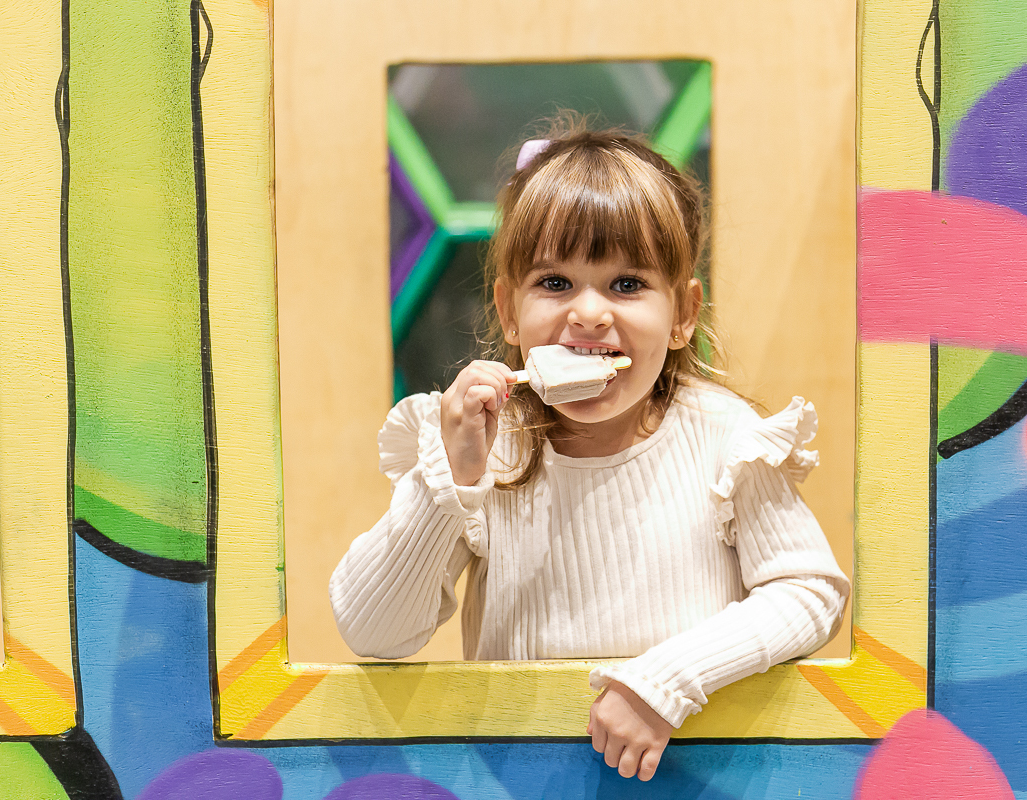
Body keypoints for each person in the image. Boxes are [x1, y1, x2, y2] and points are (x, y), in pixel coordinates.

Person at [330, 119, 850, 781]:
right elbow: (374, 633)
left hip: (693, 776)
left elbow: (810, 595)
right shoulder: (487, 449)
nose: (590, 313)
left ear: (685, 314)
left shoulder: (727, 439)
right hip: (517, 777)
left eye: (627, 285)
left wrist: (666, 681)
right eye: (554, 283)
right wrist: (453, 476)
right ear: (509, 311)